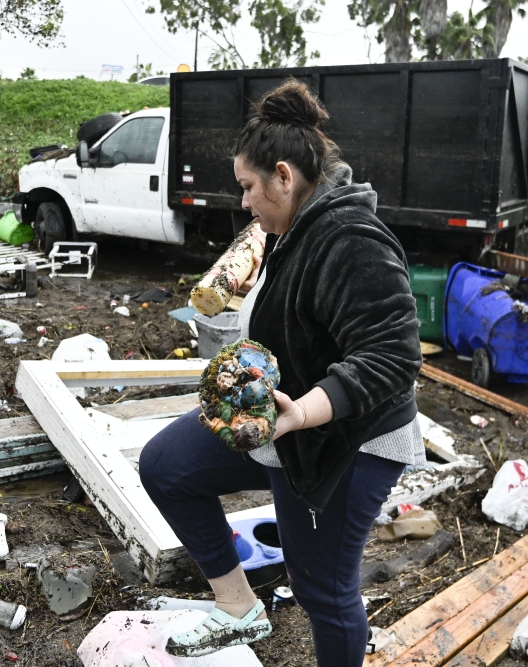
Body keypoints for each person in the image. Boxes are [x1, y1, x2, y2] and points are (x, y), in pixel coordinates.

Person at [138, 80, 424, 666]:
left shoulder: (351, 238)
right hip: (281, 419)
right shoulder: (292, 225)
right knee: (166, 466)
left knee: (324, 588)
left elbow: (394, 356)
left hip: (348, 437)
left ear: (284, 177)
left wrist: (306, 411)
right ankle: (239, 608)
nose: (243, 203)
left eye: (248, 187)